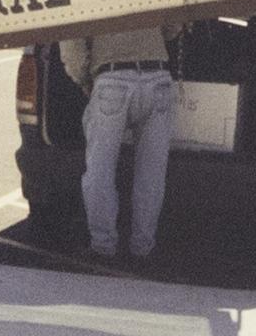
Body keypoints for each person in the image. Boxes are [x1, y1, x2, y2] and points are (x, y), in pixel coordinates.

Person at [59, 23, 182, 273]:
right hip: (157, 77)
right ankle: (142, 248)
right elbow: (173, 27)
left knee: (99, 172)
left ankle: (103, 247)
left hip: (112, 79)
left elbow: (72, 44)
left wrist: (83, 78)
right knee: (152, 174)